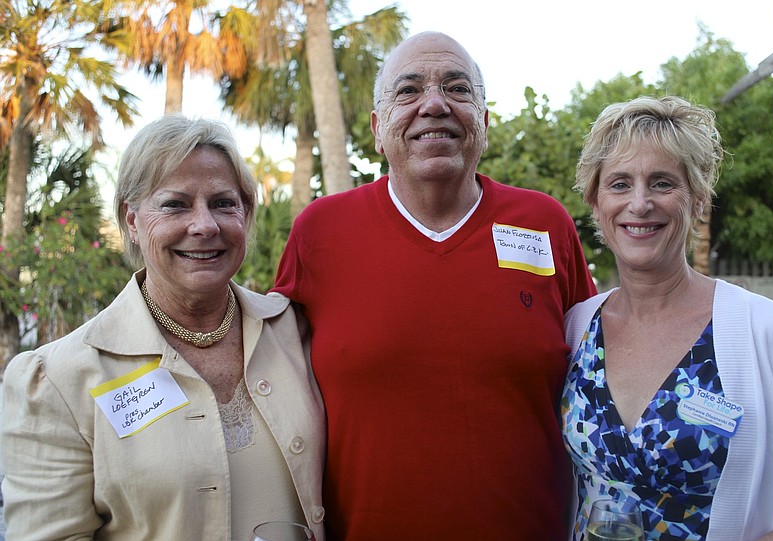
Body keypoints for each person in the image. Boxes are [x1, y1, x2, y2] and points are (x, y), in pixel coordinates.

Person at [270, 31, 597, 540]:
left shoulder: (544, 223)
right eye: (409, 91)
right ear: (379, 130)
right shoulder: (320, 232)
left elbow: (597, 376)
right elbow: (265, 371)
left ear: (484, 123)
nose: (435, 104)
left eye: (457, 88)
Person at [1, 115, 326, 541]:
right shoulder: (59, 381)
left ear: (246, 215)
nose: (204, 225)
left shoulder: (294, 331)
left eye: (224, 203)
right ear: (132, 220)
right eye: (175, 204)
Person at [561, 95, 773, 541]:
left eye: (662, 183)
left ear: (697, 200)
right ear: (595, 204)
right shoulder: (577, 327)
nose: (640, 204)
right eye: (619, 184)